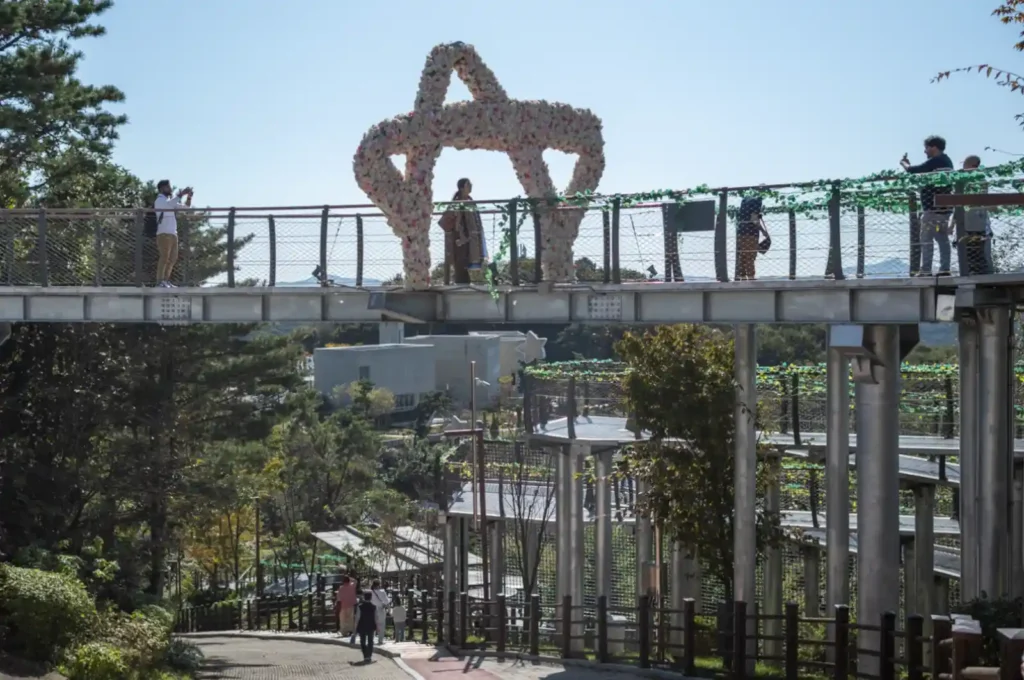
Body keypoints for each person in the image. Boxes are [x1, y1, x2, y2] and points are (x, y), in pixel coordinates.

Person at [901, 136, 954, 276]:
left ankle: (926, 270)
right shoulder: (946, 161)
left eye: (926, 148)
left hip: (933, 208)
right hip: (944, 208)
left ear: (934, 147)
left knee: (926, 238)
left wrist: (905, 164)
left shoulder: (937, 161)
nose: (925, 151)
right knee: (942, 238)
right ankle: (944, 268)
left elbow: (914, 170)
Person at [439, 178, 487, 284]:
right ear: (462, 187)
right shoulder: (457, 202)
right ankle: (461, 284)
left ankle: (464, 283)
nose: (470, 186)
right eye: (468, 184)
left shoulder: (470, 201)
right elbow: (446, 220)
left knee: (467, 261)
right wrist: (457, 231)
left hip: (470, 237)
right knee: (461, 262)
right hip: (460, 238)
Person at [959, 154, 995, 275]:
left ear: (971, 165)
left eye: (964, 165)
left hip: (975, 223)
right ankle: (975, 273)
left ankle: (984, 274)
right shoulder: (972, 181)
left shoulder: (977, 181)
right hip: (969, 222)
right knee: (971, 252)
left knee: (979, 251)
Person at [153, 180, 193, 288]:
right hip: (164, 233)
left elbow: (186, 208)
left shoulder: (170, 201)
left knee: (173, 258)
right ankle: (159, 281)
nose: (170, 189)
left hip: (173, 233)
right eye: (168, 187)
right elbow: (168, 206)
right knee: (164, 257)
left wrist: (189, 197)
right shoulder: (159, 200)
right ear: (162, 189)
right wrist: (180, 194)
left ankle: (166, 280)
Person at [735, 195, 769, 280]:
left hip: (740, 231)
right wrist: (763, 231)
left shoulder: (744, 202)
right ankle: (751, 276)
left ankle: (742, 276)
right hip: (751, 232)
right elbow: (754, 219)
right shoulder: (757, 202)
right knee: (750, 255)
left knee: (742, 255)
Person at [355, 591, 378, 663]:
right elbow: (376, 617)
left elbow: (357, 617)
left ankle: (365, 655)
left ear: (364, 597)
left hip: (362, 625)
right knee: (370, 641)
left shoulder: (360, 607)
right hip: (371, 625)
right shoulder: (374, 607)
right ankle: (369, 656)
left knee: (363, 641)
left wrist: (355, 627)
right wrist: (377, 626)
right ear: (371, 598)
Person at [369, 580, 391, 645]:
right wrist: (389, 610)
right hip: (380, 609)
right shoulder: (382, 592)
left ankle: (371, 639)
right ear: (379, 585)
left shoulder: (370, 592)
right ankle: (380, 640)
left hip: (372, 610)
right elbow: (387, 602)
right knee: (381, 625)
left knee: (372, 625)